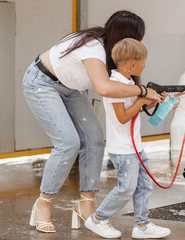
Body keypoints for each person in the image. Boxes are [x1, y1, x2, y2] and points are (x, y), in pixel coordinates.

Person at [23, 11, 162, 233]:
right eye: (137, 37)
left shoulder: (114, 53)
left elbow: (124, 90)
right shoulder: (94, 48)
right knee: (68, 143)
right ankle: (43, 203)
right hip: (42, 82)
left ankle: (85, 204)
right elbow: (105, 88)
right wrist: (144, 91)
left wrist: (152, 97)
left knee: (95, 139)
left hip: (71, 88)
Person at [84, 38, 172, 239]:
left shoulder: (129, 82)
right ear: (133, 64)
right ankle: (97, 219)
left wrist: (157, 102)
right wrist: (142, 99)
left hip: (135, 147)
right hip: (123, 149)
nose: (144, 66)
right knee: (126, 188)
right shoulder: (115, 84)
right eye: (143, 62)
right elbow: (123, 117)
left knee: (143, 186)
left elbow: (133, 110)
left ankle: (142, 225)